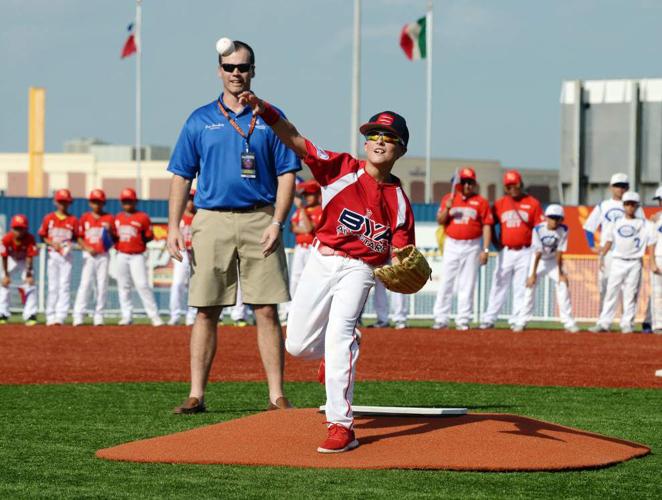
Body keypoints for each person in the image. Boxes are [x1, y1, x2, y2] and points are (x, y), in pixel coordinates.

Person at [241, 92, 416, 452]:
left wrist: (403, 263)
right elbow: (295, 139)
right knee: (297, 344)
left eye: (389, 137)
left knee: (340, 336)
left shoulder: (400, 202)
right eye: (374, 135)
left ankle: (341, 426)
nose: (379, 141)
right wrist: (268, 111)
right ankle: (338, 350)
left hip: (361, 269)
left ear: (400, 149)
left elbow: (401, 250)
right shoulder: (341, 168)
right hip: (322, 260)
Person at [167, 40, 300, 415]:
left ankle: (277, 396)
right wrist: (173, 226)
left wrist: (278, 221)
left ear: (254, 70)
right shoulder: (199, 119)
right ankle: (196, 394)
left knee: (266, 309)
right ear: (219, 71)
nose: (236, 73)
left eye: (243, 67)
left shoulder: (271, 117)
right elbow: (181, 175)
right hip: (211, 219)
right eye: (229, 67)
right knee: (206, 309)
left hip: (261, 217)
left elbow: (289, 174)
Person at [480, 171, 544, 330]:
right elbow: (489, 223)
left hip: (525, 251)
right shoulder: (500, 204)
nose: (512, 188)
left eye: (514, 185)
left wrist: (537, 249)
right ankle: (489, 318)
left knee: (521, 286)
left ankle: (517, 319)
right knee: (498, 284)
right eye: (509, 186)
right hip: (506, 251)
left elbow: (539, 228)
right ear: (505, 188)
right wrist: (495, 243)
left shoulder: (532, 203)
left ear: (520, 184)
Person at [433, 167, 492, 330]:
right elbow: (440, 220)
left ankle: (463, 319)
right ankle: (441, 318)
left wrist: (485, 249)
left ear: (474, 184)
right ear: (459, 184)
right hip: (452, 243)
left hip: (472, 244)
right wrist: (447, 208)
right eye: (464, 182)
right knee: (447, 281)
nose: (467, 186)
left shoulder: (481, 202)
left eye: (470, 182)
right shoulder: (449, 198)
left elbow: (487, 225)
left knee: (468, 283)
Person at [583, 173, 644, 312]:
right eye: (617, 186)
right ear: (611, 187)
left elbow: (643, 228)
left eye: (623, 186)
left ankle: (626, 321)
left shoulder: (635, 206)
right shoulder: (604, 205)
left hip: (628, 253)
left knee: (629, 290)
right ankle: (603, 321)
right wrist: (592, 246)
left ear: (628, 188)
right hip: (609, 252)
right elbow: (588, 227)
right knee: (605, 287)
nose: (620, 189)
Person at [590, 192, 649, 333]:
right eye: (627, 204)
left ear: (636, 206)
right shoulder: (615, 223)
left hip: (635, 262)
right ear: (623, 206)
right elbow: (608, 241)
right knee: (611, 292)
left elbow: (653, 238)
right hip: (617, 261)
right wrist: (602, 256)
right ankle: (604, 323)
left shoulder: (643, 224)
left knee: (630, 294)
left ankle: (627, 324)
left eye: (632, 204)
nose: (629, 207)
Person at [516, 204, 579, 333]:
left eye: (557, 218)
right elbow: (538, 252)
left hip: (553, 261)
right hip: (538, 261)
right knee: (529, 288)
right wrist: (532, 274)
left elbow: (560, 252)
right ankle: (521, 322)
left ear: (562, 219)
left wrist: (561, 273)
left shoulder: (564, 229)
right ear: (545, 217)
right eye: (551, 217)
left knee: (563, 285)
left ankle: (568, 323)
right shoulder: (538, 229)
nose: (554, 221)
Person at [114, 188, 164, 327]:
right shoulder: (118, 218)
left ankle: (154, 316)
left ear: (135, 201)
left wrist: (138, 243)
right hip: (121, 254)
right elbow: (113, 237)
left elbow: (148, 236)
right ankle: (126, 315)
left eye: (129, 201)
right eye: (125, 201)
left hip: (137, 255)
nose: (127, 204)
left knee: (142, 284)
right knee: (123, 285)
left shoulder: (142, 217)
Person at [73, 189, 115, 326]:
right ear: (90, 203)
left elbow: (115, 238)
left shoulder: (109, 218)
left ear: (103, 203)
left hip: (103, 254)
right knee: (85, 284)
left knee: (102, 285)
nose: (96, 205)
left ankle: (99, 316)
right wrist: (86, 247)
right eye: (94, 201)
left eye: (99, 202)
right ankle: (79, 315)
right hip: (89, 254)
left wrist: (109, 235)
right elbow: (78, 237)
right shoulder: (85, 217)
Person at [284, 179, 323, 320]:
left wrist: (301, 209)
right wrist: (302, 225)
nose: (306, 197)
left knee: (312, 280)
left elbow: (308, 228)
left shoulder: (320, 210)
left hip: (313, 249)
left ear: (317, 195)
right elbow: (293, 228)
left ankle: (309, 311)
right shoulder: (303, 211)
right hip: (300, 248)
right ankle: (290, 310)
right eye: (305, 195)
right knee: (295, 279)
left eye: (309, 194)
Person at [39, 189, 78, 326]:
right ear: (56, 202)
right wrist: (53, 243)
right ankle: (50, 315)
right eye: (61, 202)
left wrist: (68, 245)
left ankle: (60, 316)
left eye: (65, 202)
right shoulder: (49, 218)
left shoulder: (73, 220)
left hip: (66, 256)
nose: (63, 205)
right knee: (53, 286)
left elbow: (76, 237)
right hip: (53, 254)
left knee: (64, 286)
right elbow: (43, 235)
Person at [0, 215, 38, 325]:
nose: (19, 231)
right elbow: (4, 257)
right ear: (12, 228)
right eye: (16, 228)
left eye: (21, 228)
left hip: (23, 261)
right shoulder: (6, 239)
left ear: (26, 229)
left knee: (30, 284)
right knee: (3, 283)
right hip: (10, 259)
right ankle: (2, 313)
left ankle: (30, 315)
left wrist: (29, 274)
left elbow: (29, 257)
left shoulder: (30, 238)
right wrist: (6, 275)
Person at [169, 189, 197, 326]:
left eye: (193, 199)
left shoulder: (200, 217)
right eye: (188, 198)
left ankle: (191, 316)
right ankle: (175, 315)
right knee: (178, 283)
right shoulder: (178, 218)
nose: (190, 202)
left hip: (197, 252)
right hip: (183, 251)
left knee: (194, 285)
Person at [644, 186, 662, 333]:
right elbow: (651, 241)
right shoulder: (656, 219)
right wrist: (652, 262)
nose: (659, 203)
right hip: (659, 257)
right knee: (658, 293)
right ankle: (658, 325)